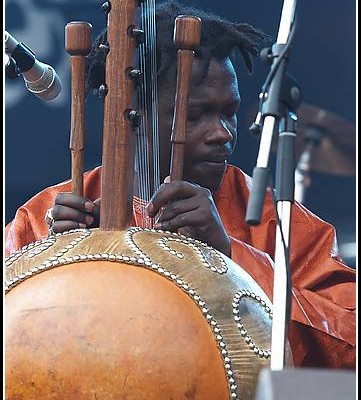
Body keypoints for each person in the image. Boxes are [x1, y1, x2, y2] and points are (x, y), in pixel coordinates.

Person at [5, 0, 355, 369]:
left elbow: (349, 340)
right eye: (195, 115)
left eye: (229, 113)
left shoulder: (274, 219)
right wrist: (49, 263)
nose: (222, 133)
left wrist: (230, 258)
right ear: (131, 113)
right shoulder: (44, 217)